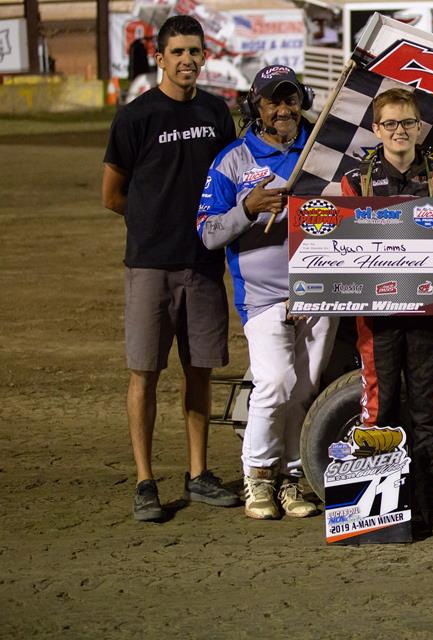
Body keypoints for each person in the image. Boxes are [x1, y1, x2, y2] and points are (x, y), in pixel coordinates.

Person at [101, 15, 240, 522]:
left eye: (194, 51)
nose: (187, 60)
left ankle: (199, 473)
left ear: (205, 57)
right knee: (145, 374)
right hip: (150, 267)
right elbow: (112, 195)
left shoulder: (216, 112)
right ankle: (145, 481)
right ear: (159, 58)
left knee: (199, 371)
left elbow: (229, 182)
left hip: (203, 265)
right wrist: (154, 225)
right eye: (177, 51)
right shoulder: (135, 117)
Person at [197, 66, 337, 520]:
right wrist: (247, 208)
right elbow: (207, 233)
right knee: (275, 382)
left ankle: (292, 479)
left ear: (303, 102)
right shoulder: (232, 160)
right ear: (255, 108)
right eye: (272, 101)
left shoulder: (322, 152)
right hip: (262, 298)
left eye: (290, 99)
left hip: (322, 292)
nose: (283, 109)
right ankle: (257, 478)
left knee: (306, 391)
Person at [340, 88, 433, 537]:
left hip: (430, 312)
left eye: (407, 123)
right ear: (376, 129)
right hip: (378, 315)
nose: (399, 131)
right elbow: (343, 245)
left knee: (430, 411)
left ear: (419, 127)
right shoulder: (358, 179)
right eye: (390, 123)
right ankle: (376, 513)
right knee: (379, 408)